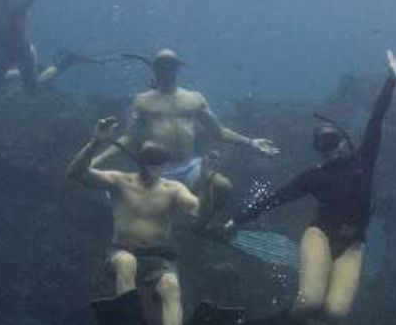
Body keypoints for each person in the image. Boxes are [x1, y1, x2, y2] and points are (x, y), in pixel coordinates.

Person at [221, 50, 396, 325]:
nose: (329, 150)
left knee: (334, 314)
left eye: (332, 142)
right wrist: (236, 220)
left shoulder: (364, 159)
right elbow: (278, 198)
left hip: (354, 245)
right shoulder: (314, 176)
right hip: (320, 235)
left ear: (344, 140)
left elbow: (376, 120)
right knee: (308, 302)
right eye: (322, 146)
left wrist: (392, 80)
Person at [66, 117, 205, 325]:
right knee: (126, 262)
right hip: (122, 250)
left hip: (158, 258)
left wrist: (208, 189)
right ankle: (128, 323)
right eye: (150, 161)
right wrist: (94, 142)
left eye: (159, 162)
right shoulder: (120, 181)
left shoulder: (173, 189)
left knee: (170, 287)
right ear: (140, 161)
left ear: (165, 164)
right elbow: (76, 173)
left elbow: (194, 206)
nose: (154, 166)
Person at [91, 48, 279, 214]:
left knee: (223, 186)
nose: (166, 69)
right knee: (139, 209)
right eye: (162, 65)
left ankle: (200, 226)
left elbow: (219, 132)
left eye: (170, 65)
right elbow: (129, 138)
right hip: (156, 169)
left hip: (190, 166)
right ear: (155, 68)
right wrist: (96, 160)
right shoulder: (142, 101)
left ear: (177, 68)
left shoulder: (193, 99)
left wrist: (251, 143)